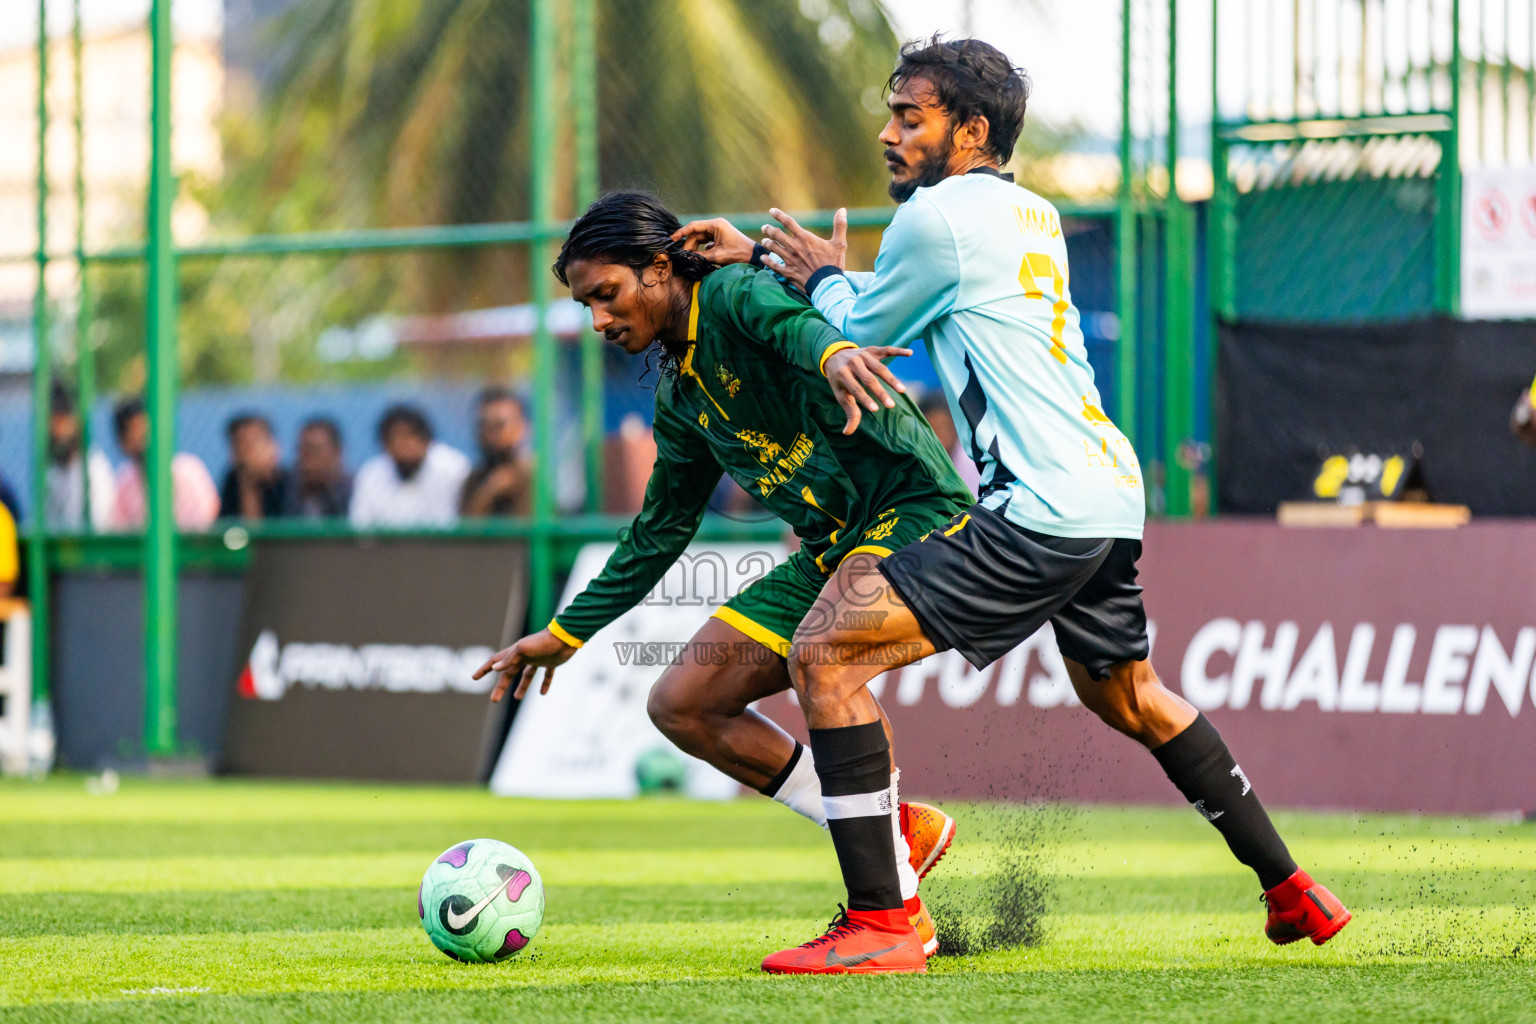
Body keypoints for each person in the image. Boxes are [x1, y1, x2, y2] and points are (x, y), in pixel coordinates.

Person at [678, 35, 1350, 974]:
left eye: (910, 117)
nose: (888, 133)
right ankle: (1292, 888)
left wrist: (818, 278)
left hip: (1032, 506)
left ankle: (883, 922)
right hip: (1106, 495)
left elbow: (867, 327)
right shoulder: (1026, 214)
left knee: (824, 657)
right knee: (1131, 696)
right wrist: (784, 263)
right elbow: (896, 299)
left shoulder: (935, 217)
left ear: (971, 128)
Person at [471, 191, 975, 965]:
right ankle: (895, 828)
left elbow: (792, 321)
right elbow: (659, 530)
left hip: (914, 511)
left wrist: (837, 351)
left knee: (820, 657)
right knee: (683, 705)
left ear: (661, 267)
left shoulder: (733, 294)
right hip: (833, 547)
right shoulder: (680, 396)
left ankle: (887, 919)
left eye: (606, 294)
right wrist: (566, 632)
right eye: (585, 305)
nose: (599, 320)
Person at [108, 397, 220, 531]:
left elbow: (205, 526)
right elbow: (119, 529)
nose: (139, 437)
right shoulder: (125, 480)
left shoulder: (189, 472)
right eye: (132, 431)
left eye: (144, 429)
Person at [348, 405, 470, 528]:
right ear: (385, 446)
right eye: (395, 438)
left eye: (409, 436)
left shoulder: (453, 468)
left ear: (427, 440)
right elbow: (360, 527)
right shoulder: (370, 475)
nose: (403, 445)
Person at [44, 383, 116, 531]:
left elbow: (100, 528)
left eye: (63, 421)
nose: (58, 430)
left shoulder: (94, 468)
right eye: (53, 422)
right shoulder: (52, 473)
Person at [460, 387, 532, 517]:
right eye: (483, 425)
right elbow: (466, 531)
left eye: (499, 425)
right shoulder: (475, 479)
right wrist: (487, 493)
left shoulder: (534, 478)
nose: (489, 433)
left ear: (522, 427)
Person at [218, 413, 292, 521]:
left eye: (251, 444)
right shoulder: (232, 481)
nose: (244, 453)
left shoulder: (289, 483)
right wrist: (248, 486)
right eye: (238, 446)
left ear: (272, 446)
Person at [283, 417, 353, 518]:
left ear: (337, 452)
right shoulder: (288, 489)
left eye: (314, 450)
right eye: (301, 450)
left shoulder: (354, 493)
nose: (306, 459)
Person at [918, 390, 979, 495]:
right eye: (931, 433)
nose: (939, 440)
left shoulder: (974, 464)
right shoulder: (917, 463)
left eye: (943, 430)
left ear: (955, 429)